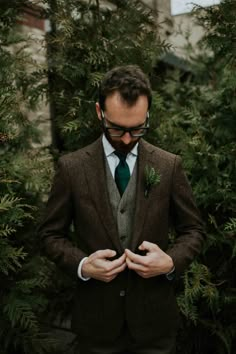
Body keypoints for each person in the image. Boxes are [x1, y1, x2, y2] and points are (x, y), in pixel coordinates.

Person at [38, 65, 205, 354]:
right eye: (117, 129)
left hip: (155, 327)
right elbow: (49, 234)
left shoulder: (168, 166)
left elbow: (194, 230)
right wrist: (83, 265)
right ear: (99, 112)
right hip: (96, 327)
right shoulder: (72, 168)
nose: (127, 139)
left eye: (137, 128)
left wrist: (170, 262)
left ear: (148, 115)